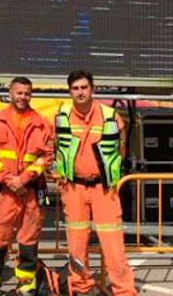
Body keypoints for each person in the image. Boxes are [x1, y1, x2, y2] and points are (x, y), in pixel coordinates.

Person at [54, 70, 136, 295]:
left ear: (92, 89)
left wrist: (112, 176)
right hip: (73, 188)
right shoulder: (61, 115)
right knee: (77, 246)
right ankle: (81, 288)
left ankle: (124, 291)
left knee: (113, 246)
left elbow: (122, 148)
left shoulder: (111, 115)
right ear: (70, 91)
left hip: (103, 189)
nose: (80, 92)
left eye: (84, 87)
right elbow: (56, 147)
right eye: (75, 88)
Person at [0, 76, 53, 295]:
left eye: (27, 93)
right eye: (19, 92)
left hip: (29, 190)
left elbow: (46, 157)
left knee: (28, 239)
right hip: (6, 191)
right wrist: (8, 180)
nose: (22, 97)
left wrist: (24, 179)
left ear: (31, 95)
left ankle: (26, 284)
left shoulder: (42, 124)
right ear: (10, 93)